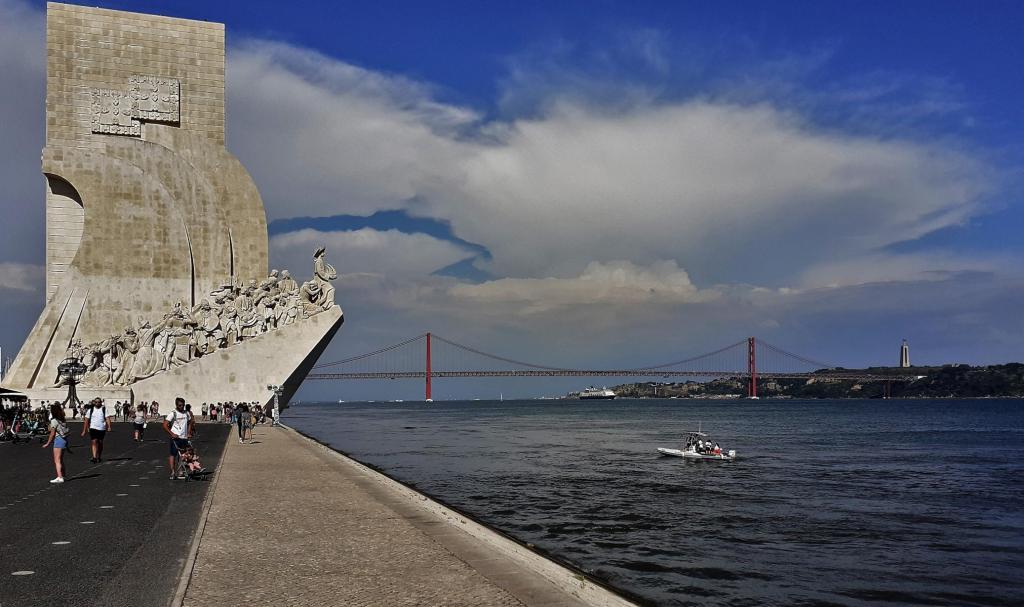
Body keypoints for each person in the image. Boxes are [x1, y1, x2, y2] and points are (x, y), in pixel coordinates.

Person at [163, 397, 191, 480]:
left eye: (183, 405)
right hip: (175, 438)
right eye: (180, 405)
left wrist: (189, 432)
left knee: (183, 454)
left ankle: (181, 471)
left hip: (184, 437)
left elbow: (190, 422)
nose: (181, 407)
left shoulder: (187, 413)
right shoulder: (173, 413)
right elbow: (165, 425)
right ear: (176, 405)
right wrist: (172, 434)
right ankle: (172, 472)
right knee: (173, 454)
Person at [41, 403, 70, 483]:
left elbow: (52, 433)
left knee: (57, 460)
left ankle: (60, 477)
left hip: (58, 440)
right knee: (61, 460)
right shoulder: (62, 419)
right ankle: (63, 475)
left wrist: (48, 443)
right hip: (64, 439)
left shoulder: (54, 421)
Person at [80, 398, 111, 463]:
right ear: (94, 402)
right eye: (96, 402)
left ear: (100, 402)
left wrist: (109, 426)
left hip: (101, 428)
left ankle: (99, 456)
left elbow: (107, 418)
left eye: (99, 402)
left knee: (100, 442)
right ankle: (94, 457)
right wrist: (84, 430)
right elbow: (86, 420)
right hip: (93, 428)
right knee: (94, 441)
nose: (97, 403)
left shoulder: (104, 409)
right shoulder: (90, 410)